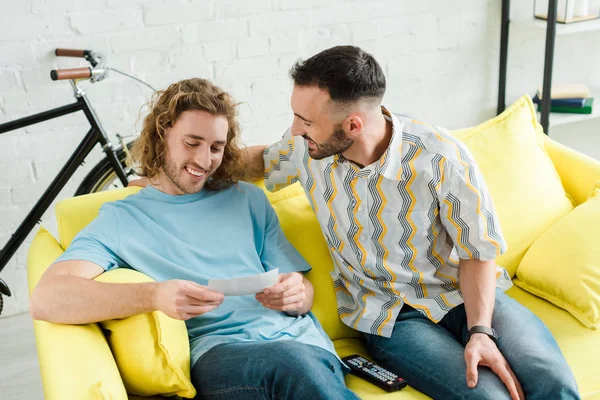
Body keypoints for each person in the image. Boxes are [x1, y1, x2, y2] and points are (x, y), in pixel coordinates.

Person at [246, 46, 580, 400]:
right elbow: (254, 161)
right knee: (490, 397)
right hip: (389, 315)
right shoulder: (305, 148)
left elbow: (478, 250)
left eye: (306, 121)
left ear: (353, 125)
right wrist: (191, 155)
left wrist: (480, 330)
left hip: (461, 292)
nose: (295, 129)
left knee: (552, 383)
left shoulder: (439, 156)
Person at [29, 78, 359, 400]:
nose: (204, 161)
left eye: (216, 147)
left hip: (309, 347)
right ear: (161, 135)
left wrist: (296, 293)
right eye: (192, 143)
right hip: (222, 354)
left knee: (300, 363)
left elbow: (302, 291)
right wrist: (154, 295)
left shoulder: (248, 199)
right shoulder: (122, 219)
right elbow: (47, 298)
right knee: (293, 365)